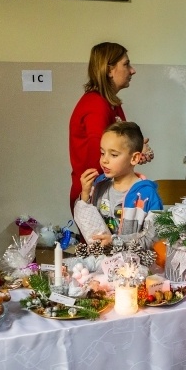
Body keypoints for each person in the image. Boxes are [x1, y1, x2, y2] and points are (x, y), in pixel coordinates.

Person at [69, 42, 152, 213]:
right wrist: (135, 152)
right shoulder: (96, 106)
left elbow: (120, 143)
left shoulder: (111, 103)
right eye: (126, 64)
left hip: (109, 190)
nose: (132, 70)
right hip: (95, 192)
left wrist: (137, 148)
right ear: (108, 70)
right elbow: (100, 158)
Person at [74, 121, 162, 250]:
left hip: (134, 267)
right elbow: (87, 221)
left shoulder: (147, 195)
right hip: (101, 265)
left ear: (134, 158)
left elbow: (152, 239)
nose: (104, 160)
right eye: (102, 153)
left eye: (113, 155)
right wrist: (85, 195)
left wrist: (115, 241)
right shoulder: (99, 187)